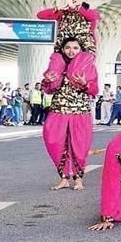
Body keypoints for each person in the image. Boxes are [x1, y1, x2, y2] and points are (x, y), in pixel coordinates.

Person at [42, 36, 98, 191]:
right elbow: (47, 90)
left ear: (80, 50)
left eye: (75, 48)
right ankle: (64, 178)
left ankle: (78, 179)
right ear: (62, 49)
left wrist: (84, 83)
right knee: (55, 142)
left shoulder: (88, 66)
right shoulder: (55, 65)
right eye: (68, 48)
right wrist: (46, 81)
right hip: (58, 110)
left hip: (80, 111)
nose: (71, 51)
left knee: (79, 145)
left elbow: (94, 90)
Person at [37, 0, 99, 93]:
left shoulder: (89, 13)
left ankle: (77, 94)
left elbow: (92, 17)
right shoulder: (62, 13)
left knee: (76, 73)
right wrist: (58, 8)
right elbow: (40, 15)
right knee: (54, 73)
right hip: (62, 51)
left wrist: (78, 8)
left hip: (84, 50)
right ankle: (56, 90)